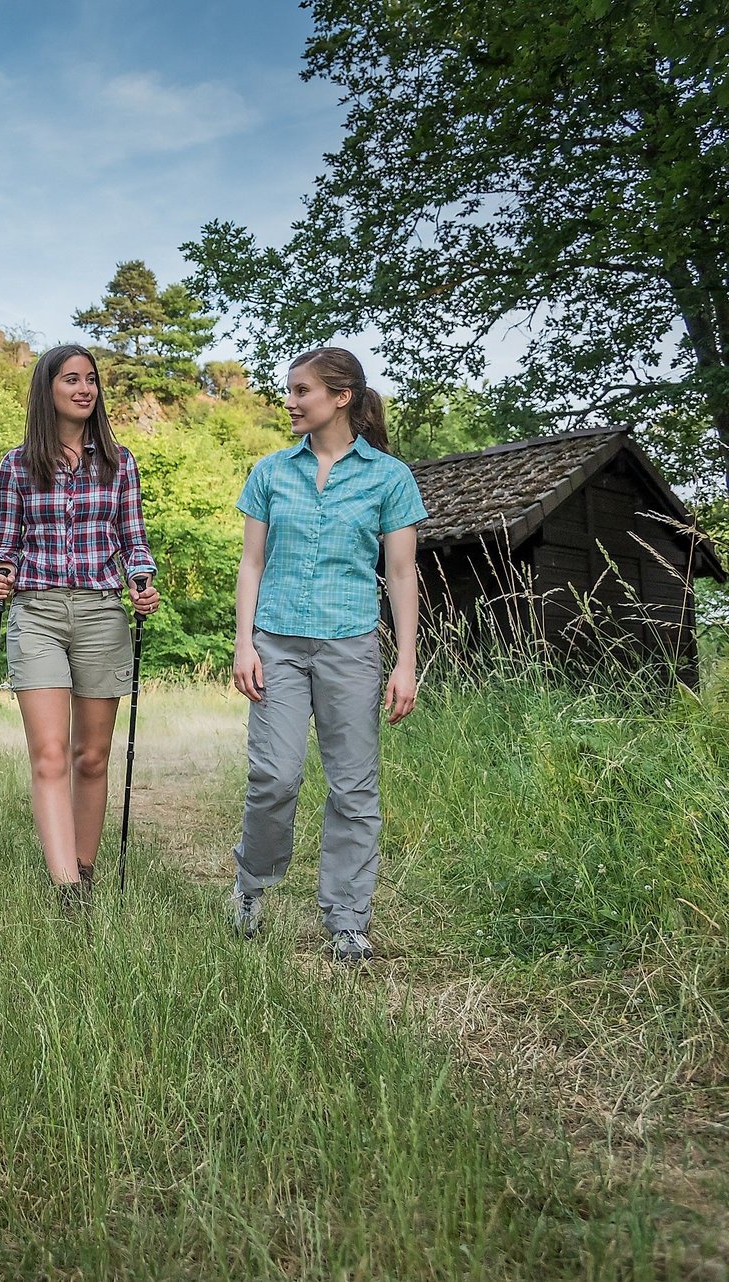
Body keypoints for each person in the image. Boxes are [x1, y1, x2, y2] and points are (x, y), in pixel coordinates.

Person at [229, 346, 426, 965]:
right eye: (289, 391)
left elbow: (400, 574)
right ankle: (251, 885)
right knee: (276, 777)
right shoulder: (270, 473)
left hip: (351, 648)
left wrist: (405, 661)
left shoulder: (389, 478)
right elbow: (251, 563)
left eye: (300, 391)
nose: (289, 402)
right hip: (277, 644)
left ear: (341, 398)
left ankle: (346, 919)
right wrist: (243, 644)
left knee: (353, 788)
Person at [0, 344, 159, 913]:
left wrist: (142, 580)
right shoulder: (17, 464)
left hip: (103, 611)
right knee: (51, 753)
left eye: (91, 380)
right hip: (36, 611)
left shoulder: (119, 462)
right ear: (47, 390)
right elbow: (3, 545)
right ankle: (67, 891)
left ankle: (86, 868)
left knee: (92, 754)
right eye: (71, 380)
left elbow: (134, 543)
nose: (84, 389)